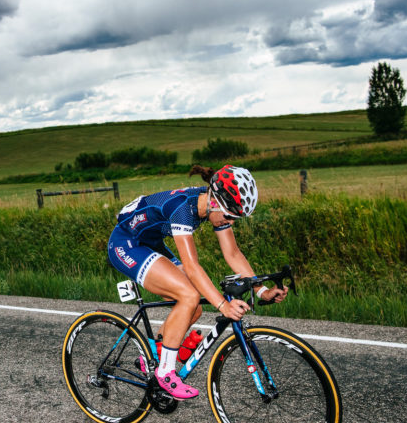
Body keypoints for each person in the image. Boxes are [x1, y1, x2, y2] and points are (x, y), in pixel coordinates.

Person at [107, 164, 288, 400]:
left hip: (150, 242)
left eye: (237, 218)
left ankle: (153, 354)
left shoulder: (213, 207)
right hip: (126, 243)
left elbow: (232, 254)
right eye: (230, 216)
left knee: (195, 305)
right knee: (188, 296)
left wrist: (261, 290)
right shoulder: (182, 208)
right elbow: (192, 267)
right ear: (214, 200)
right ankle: (165, 372)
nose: (231, 222)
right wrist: (223, 305)